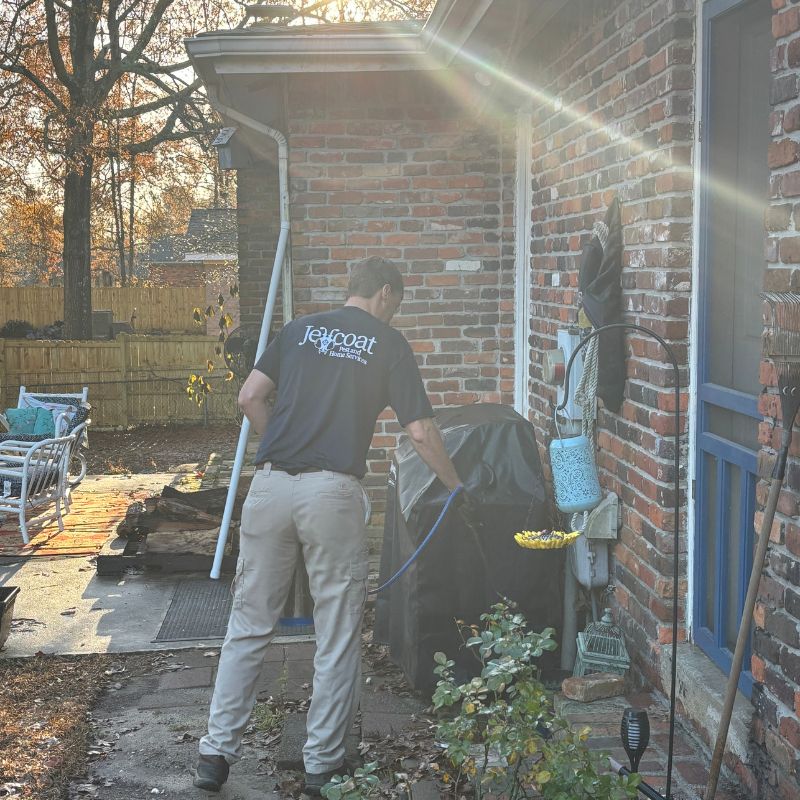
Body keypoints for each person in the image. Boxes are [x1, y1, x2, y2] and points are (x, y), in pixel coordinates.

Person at [194, 256, 477, 796]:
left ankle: (214, 755)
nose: (397, 311)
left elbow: (249, 396)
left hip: (271, 485)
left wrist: (282, 441)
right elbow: (419, 432)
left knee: (249, 625)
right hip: (332, 492)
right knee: (337, 632)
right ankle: (323, 761)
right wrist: (456, 485)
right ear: (387, 294)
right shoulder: (389, 345)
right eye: (399, 302)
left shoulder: (299, 330)